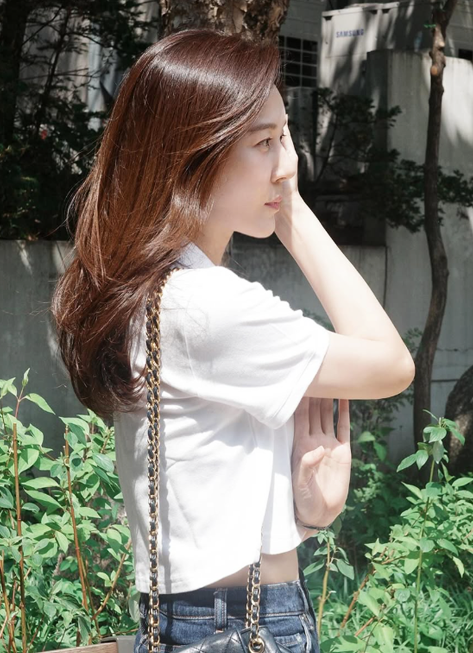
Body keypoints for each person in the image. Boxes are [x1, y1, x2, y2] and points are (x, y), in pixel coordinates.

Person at [51, 28, 415, 653]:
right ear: (195, 155)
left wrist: (304, 513)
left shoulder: (160, 293)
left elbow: (201, 497)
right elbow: (392, 364)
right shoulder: (205, 306)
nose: (288, 165)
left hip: (214, 621)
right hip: (244, 626)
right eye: (264, 142)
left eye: (286, 137)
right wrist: (293, 214)